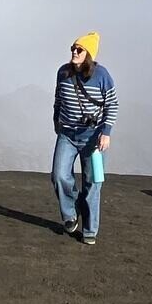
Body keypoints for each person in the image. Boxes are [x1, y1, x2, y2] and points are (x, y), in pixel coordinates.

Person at [51, 31, 118, 246]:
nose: (74, 52)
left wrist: (106, 132)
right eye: (72, 48)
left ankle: (90, 229)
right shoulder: (63, 72)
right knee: (59, 175)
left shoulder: (102, 76)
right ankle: (70, 213)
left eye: (79, 49)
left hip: (93, 138)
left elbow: (112, 104)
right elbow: (58, 99)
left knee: (93, 183)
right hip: (67, 134)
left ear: (88, 54)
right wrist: (56, 121)